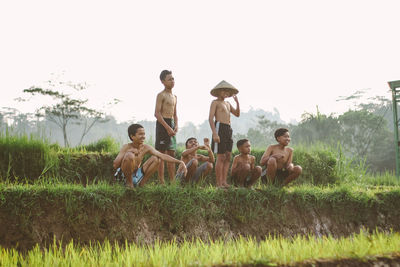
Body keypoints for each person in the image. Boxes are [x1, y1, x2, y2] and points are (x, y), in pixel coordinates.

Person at [113, 124, 187, 188]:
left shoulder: (146, 147)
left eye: (144, 134)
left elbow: (162, 156)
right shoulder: (126, 147)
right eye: (140, 134)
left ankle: (141, 184)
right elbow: (115, 165)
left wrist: (180, 162)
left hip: (136, 174)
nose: (143, 136)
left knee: (156, 158)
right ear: (132, 136)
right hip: (123, 177)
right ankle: (129, 185)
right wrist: (128, 153)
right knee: (130, 155)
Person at [208, 80, 240, 188]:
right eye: (223, 90)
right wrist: (215, 133)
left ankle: (224, 182)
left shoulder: (228, 103)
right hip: (219, 127)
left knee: (228, 156)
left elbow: (237, 114)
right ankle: (219, 183)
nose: (226, 92)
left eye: (227, 91)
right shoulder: (215, 102)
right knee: (221, 157)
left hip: (228, 128)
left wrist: (237, 102)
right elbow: (210, 118)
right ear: (218, 92)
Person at [154, 70, 179, 184]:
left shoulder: (174, 96)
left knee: (172, 153)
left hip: (171, 123)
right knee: (161, 153)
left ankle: (173, 181)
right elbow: (157, 114)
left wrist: (176, 125)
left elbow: (175, 113)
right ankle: (161, 181)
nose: (172, 81)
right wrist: (167, 127)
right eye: (169, 79)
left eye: (173, 79)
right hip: (163, 124)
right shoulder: (161, 95)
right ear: (163, 81)